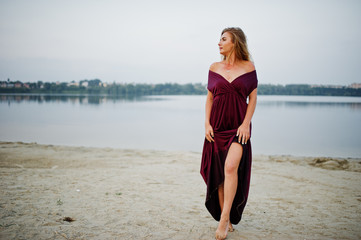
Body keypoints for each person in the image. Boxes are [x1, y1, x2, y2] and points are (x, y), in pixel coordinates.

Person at [200, 27, 258, 240]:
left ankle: (224, 222)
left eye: (223, 39)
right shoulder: (214, 68)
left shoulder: (249, 67)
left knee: (231, 167)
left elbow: (252, 99)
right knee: (221, 174)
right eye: (219, 39)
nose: (219, 43)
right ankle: (227, 217)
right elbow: (209, 99)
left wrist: (246, 124)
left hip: (238, 128)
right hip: (216, 127)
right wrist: (206, 124)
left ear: (235, 42)